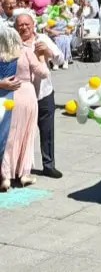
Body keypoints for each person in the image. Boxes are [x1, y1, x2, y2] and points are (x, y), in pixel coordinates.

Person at [14, 13, 63, 178]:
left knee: (47, 130)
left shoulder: (42, 39)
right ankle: (18, 167)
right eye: (20, 25)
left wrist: (48, 51)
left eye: (27, 24)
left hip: (43, 93)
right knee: (19, 131)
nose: (24, 28)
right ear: (15, 27)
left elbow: (60, 60)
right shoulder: (13, 43)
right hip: (20, 96)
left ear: (33, 25)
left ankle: (49, 165)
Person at [0, 26, 46, 191]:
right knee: (28, 135)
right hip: (27, 95)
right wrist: (41, 57)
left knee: (9, 137)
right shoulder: (25, 52)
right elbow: (44, 73)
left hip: (8, 96)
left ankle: (5, 176)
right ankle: (24, 173)